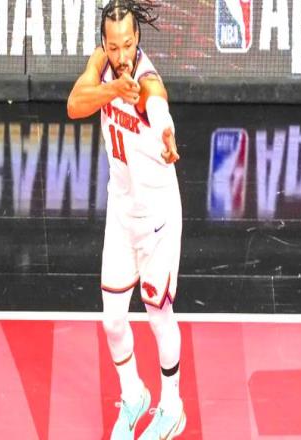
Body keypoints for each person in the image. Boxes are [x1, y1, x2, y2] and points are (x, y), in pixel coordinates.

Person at [67, 1, 185, 438]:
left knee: (158, 314)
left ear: (139, 41)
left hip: (157, 219)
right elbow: (75, 104)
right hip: (121, 213)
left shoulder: (147, 80)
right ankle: (134, 394)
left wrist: (167, 130)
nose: (121, 54)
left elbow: (157, 105)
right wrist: (113, 87)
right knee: (113, 321)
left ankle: (171, 406)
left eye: (128, 45)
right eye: (113, 46)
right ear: (104, 43)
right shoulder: (103, 64)